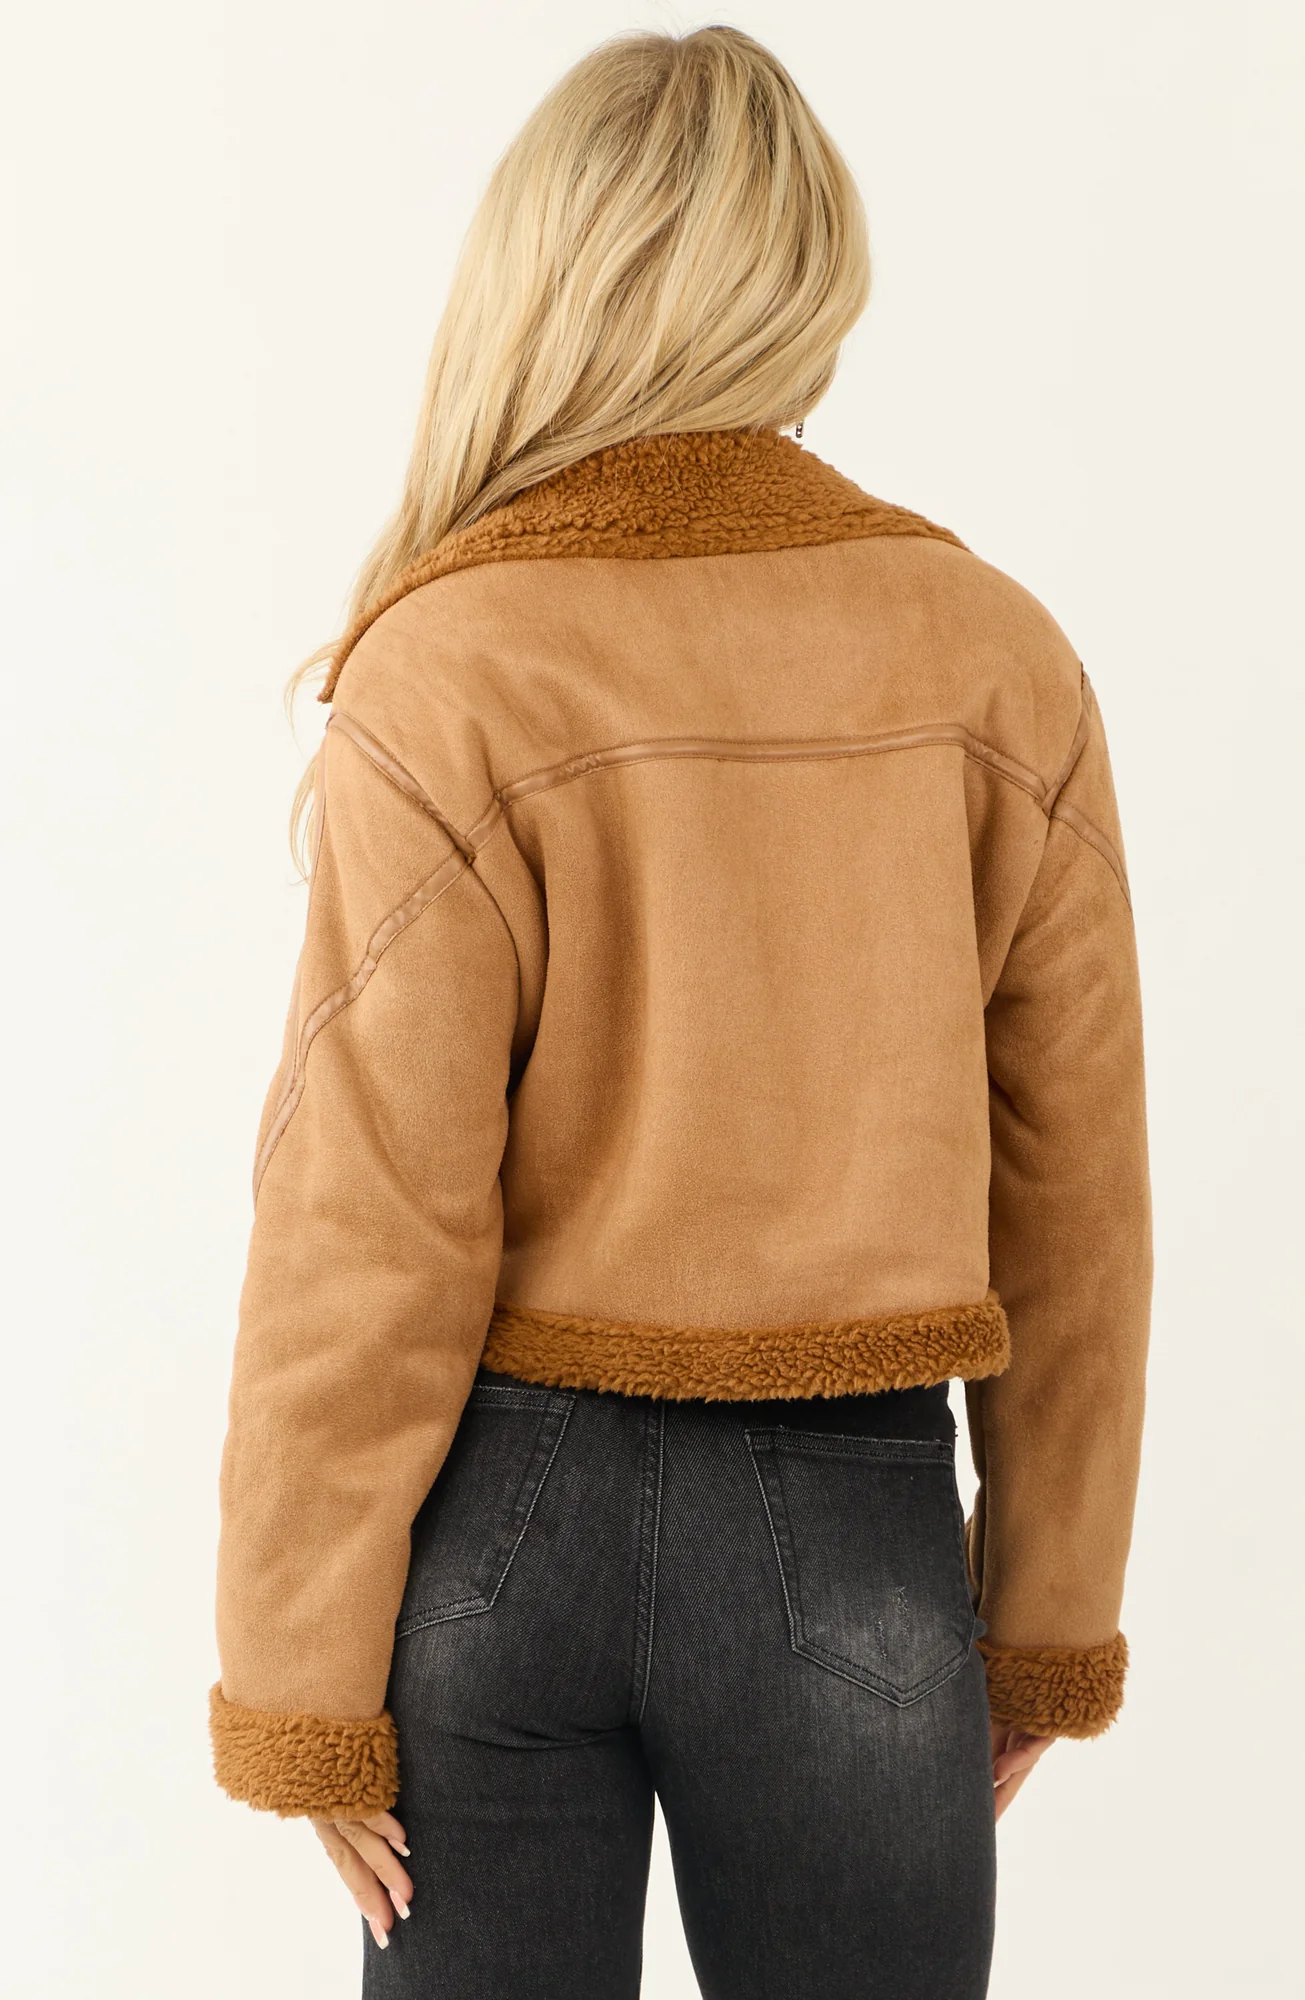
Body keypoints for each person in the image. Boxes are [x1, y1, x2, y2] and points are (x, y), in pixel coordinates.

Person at [210, 26, 1151, 2000]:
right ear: (808, 279)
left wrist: (297, 1676)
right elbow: (1076, 1197)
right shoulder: (993, 656)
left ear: (543, 274)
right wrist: (1047, 1614)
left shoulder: (451, 660)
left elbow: (367, 1207)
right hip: (855, 1548)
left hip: (498, 1536)